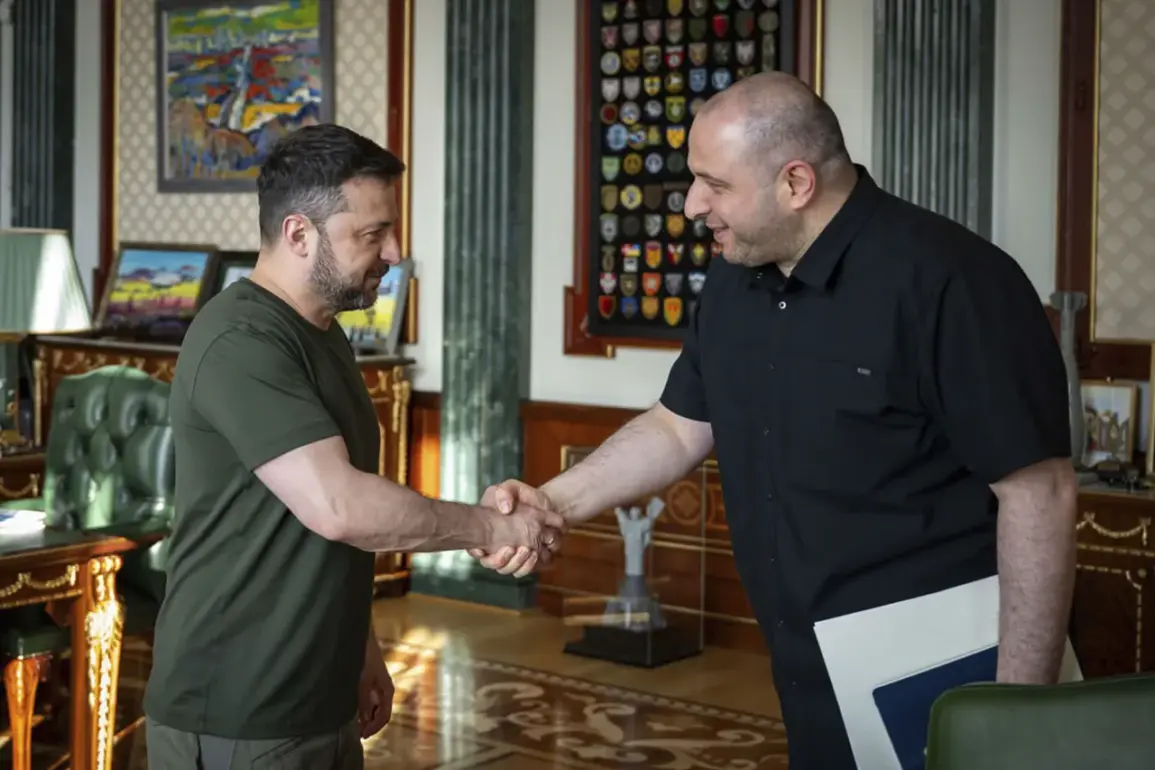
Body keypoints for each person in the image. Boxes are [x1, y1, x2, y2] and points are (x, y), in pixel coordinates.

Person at [473, 73, 1077, 769]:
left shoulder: (953, 280)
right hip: (805, 661)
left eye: (714, 184)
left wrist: (1014, 717)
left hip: (946, 668)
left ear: (795, 183)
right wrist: (550, 502)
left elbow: (1039, 494)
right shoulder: (735, 277)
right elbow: (676, 427)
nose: (693, 204)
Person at [143, 124, 565, 770]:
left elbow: (328, 532)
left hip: (318, 694)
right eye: (373, 234)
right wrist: (488, 526)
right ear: (298, 235)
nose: (394, 252)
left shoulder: (322, 333)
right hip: (236, 707)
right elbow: (339, 506)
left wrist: (360, 648)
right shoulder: (239, 340)